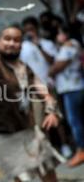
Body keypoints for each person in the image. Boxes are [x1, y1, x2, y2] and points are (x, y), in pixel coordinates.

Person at [0, 26, 65, 182]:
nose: (11, 43)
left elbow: (45, 93)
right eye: (7, 39)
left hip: (27, 128)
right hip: (2, 133)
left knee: (48, 171)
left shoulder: (25, 67)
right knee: (22, 178)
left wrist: (51, 111)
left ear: (21, 44)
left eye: (16, 40)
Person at [49, 26, 84, 167]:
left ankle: (81, 150)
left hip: (72, 88)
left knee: (74, 121)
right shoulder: (71, 46)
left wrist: (50, 71)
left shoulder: (69, 47)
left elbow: (57, 67)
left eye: (60, 32)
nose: (58, 36)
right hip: (73, 87)